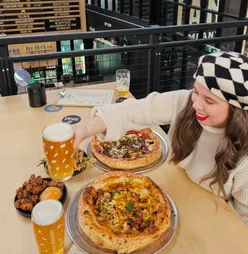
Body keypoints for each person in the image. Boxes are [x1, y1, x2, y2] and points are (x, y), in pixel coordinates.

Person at [74, 52, 248, 224]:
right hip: (168, 190)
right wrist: (86, 129)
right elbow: (136, 110)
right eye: (195, 92)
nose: (195, 104)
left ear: (237, 111)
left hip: (207, 220)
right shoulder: (185, 101)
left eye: (209, 101)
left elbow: (242, 217)